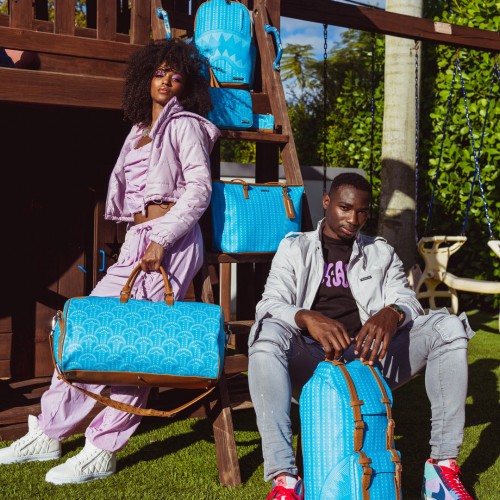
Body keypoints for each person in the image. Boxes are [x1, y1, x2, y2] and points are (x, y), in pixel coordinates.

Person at [0, 38, 219, 484]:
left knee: (133, 344)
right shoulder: (138, 129)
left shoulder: (186, 126)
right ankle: (49, 431)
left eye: (176, 76)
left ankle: (103, 449)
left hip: (171, 241)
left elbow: (199, 190)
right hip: (139, 239)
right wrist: (140, 238)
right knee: (87, 327)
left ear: (187, 86)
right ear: (146, 77)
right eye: (159, 72)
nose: (166, 81)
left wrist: (162, 237)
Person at [248, 172, 475, 500]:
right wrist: (306, 317)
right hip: (310, 361)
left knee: (448, 327)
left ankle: (441, 470)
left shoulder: (380, 252)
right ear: (327, 202)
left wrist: (393, 312)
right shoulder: (294, 248)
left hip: (370, 359)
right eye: (344, 208)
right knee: (266, 333)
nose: (353, 219)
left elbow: (408, 300)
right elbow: (268, 304)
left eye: (362, 212)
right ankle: (285, 481)